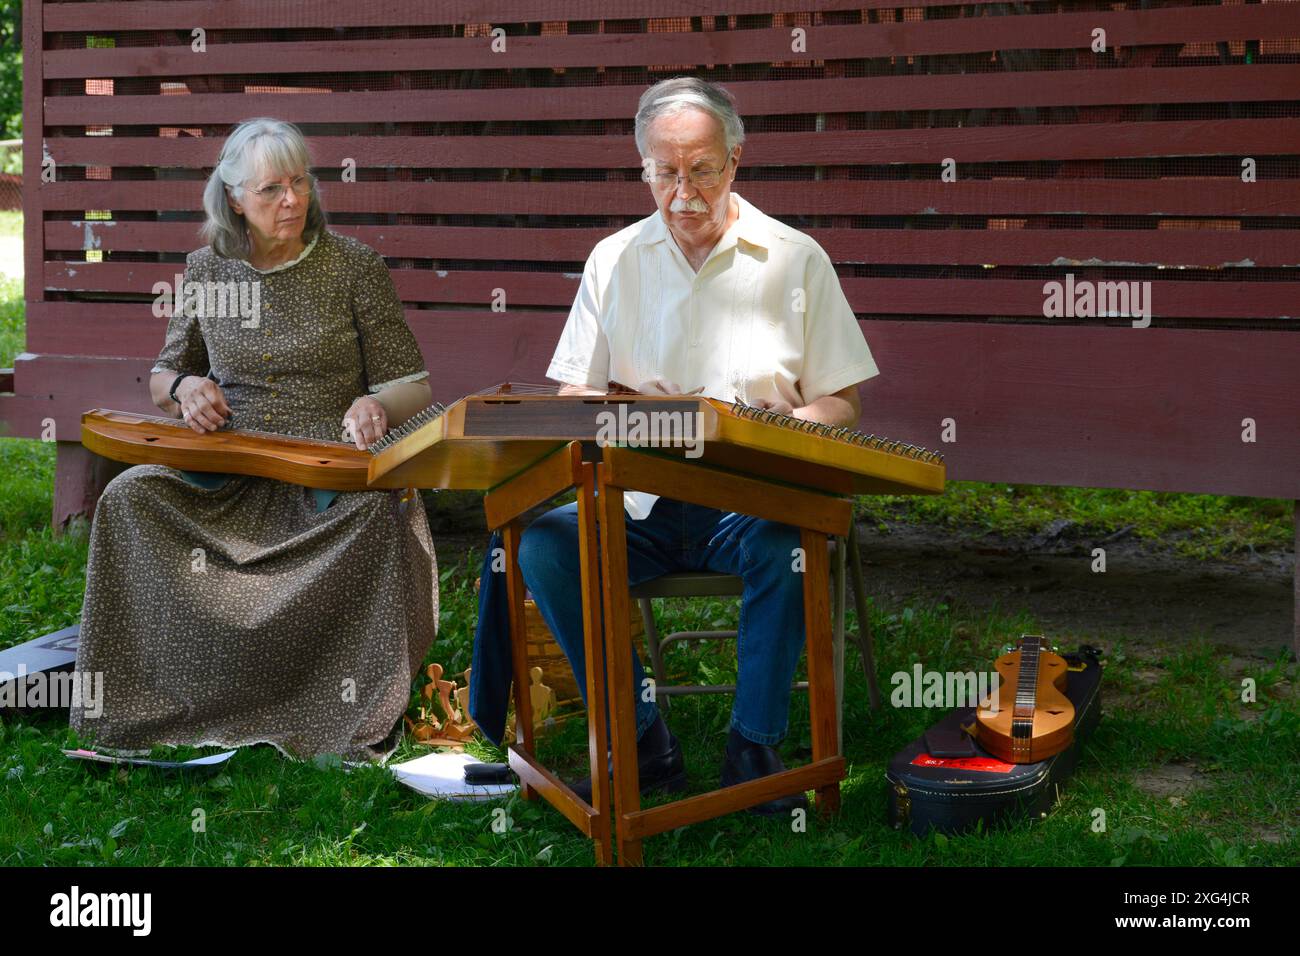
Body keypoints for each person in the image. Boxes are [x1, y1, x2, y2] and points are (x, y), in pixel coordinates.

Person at [469, 78, 879, 815]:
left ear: (736, 161)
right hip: (641, 500)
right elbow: (574, 399)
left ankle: (753, 749)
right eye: (666, 172)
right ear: (644, 170)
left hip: (752, 501)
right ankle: (643, 741)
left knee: (791, 540)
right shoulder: (614, 260)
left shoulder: (795, 259)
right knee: (546, 546)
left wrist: (781, 430)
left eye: (703, 169)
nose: (684, 191)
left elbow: (841, 400)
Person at [70, 118, 438, 762]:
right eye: (271, 190)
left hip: (324, 473)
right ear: (235, 198)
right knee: (129, 497)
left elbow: (413, 383)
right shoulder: (208, 271)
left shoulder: (352, 266)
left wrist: (374, 402)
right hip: (230, 468)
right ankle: (156, 699)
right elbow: (162, 375)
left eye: (300, 183)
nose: (292, 200)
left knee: (379, 512)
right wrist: (187, 387)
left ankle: (333, 707)